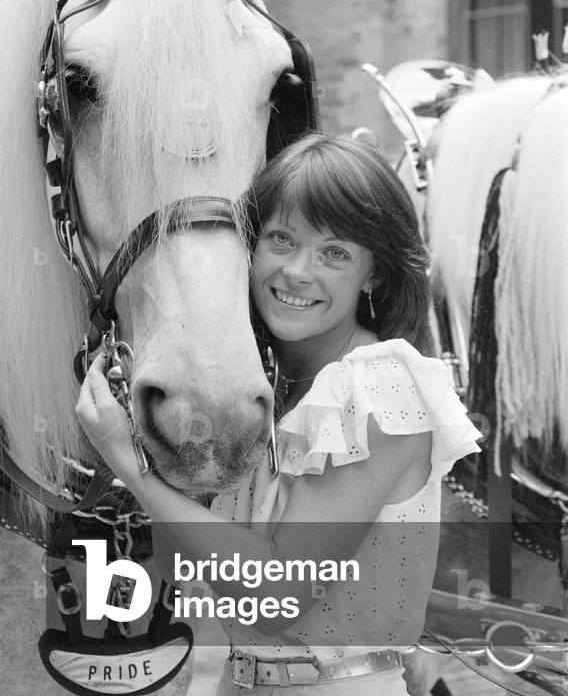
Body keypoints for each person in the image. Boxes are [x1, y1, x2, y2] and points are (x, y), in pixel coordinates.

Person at [76, 134, 481, 694]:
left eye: (335, 253)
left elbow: (277, 596)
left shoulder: (380, 387)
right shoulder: (263, 393)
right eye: (280, 239)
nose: (297, 271)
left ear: (376, 275)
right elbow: (194, 566)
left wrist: (127, 461)